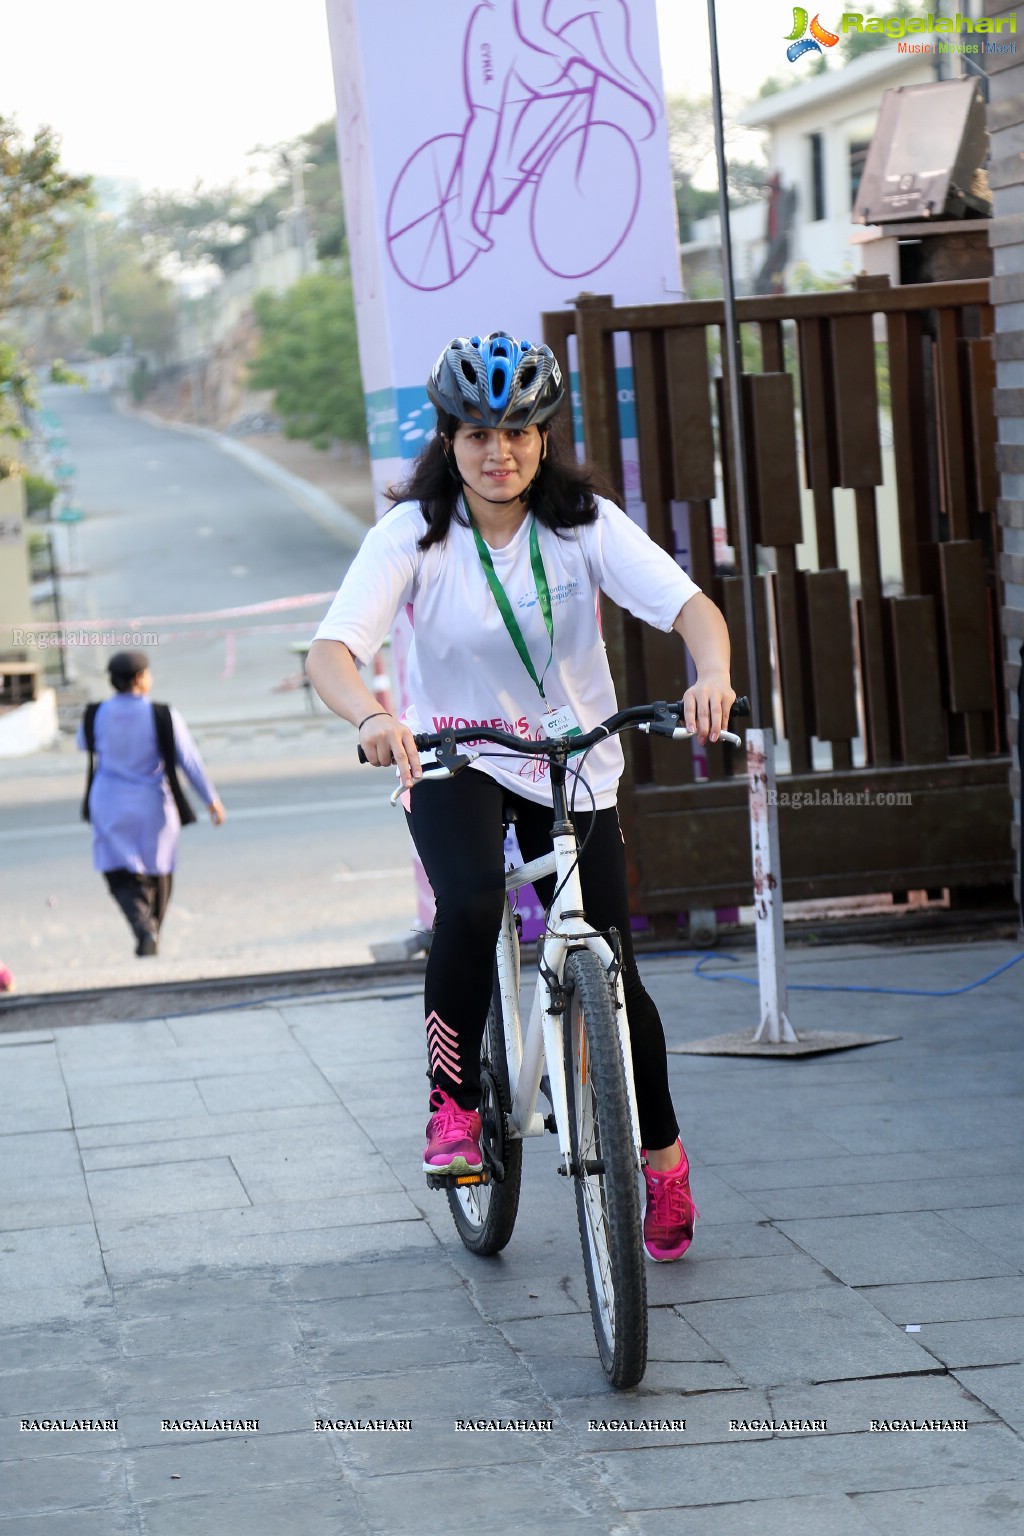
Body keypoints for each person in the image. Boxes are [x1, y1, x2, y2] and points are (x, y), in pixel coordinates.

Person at [306, 331, 736, 1262]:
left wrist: (712, 673)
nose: (497, 452)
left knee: (614, 966)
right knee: (466, 903)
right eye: (475, 435)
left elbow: (692, 608)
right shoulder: (414, 534)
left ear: (544, 439)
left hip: (575, 761)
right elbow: (332, 652)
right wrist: (371, 717)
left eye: (517, 432)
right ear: (448, 441)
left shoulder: (583, 525)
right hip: (457, 758)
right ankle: (455, 1104)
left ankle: (659, 1158)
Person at [77, 651, 226, 957]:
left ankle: (144, 928)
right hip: (153, 806)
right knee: (158, 869)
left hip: (108, 804)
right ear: (140, 678)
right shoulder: (162, 715)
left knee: (119, 871)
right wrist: (211, 800)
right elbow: (190, 761)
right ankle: (152, 927)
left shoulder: (95, 714)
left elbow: (83, 743)